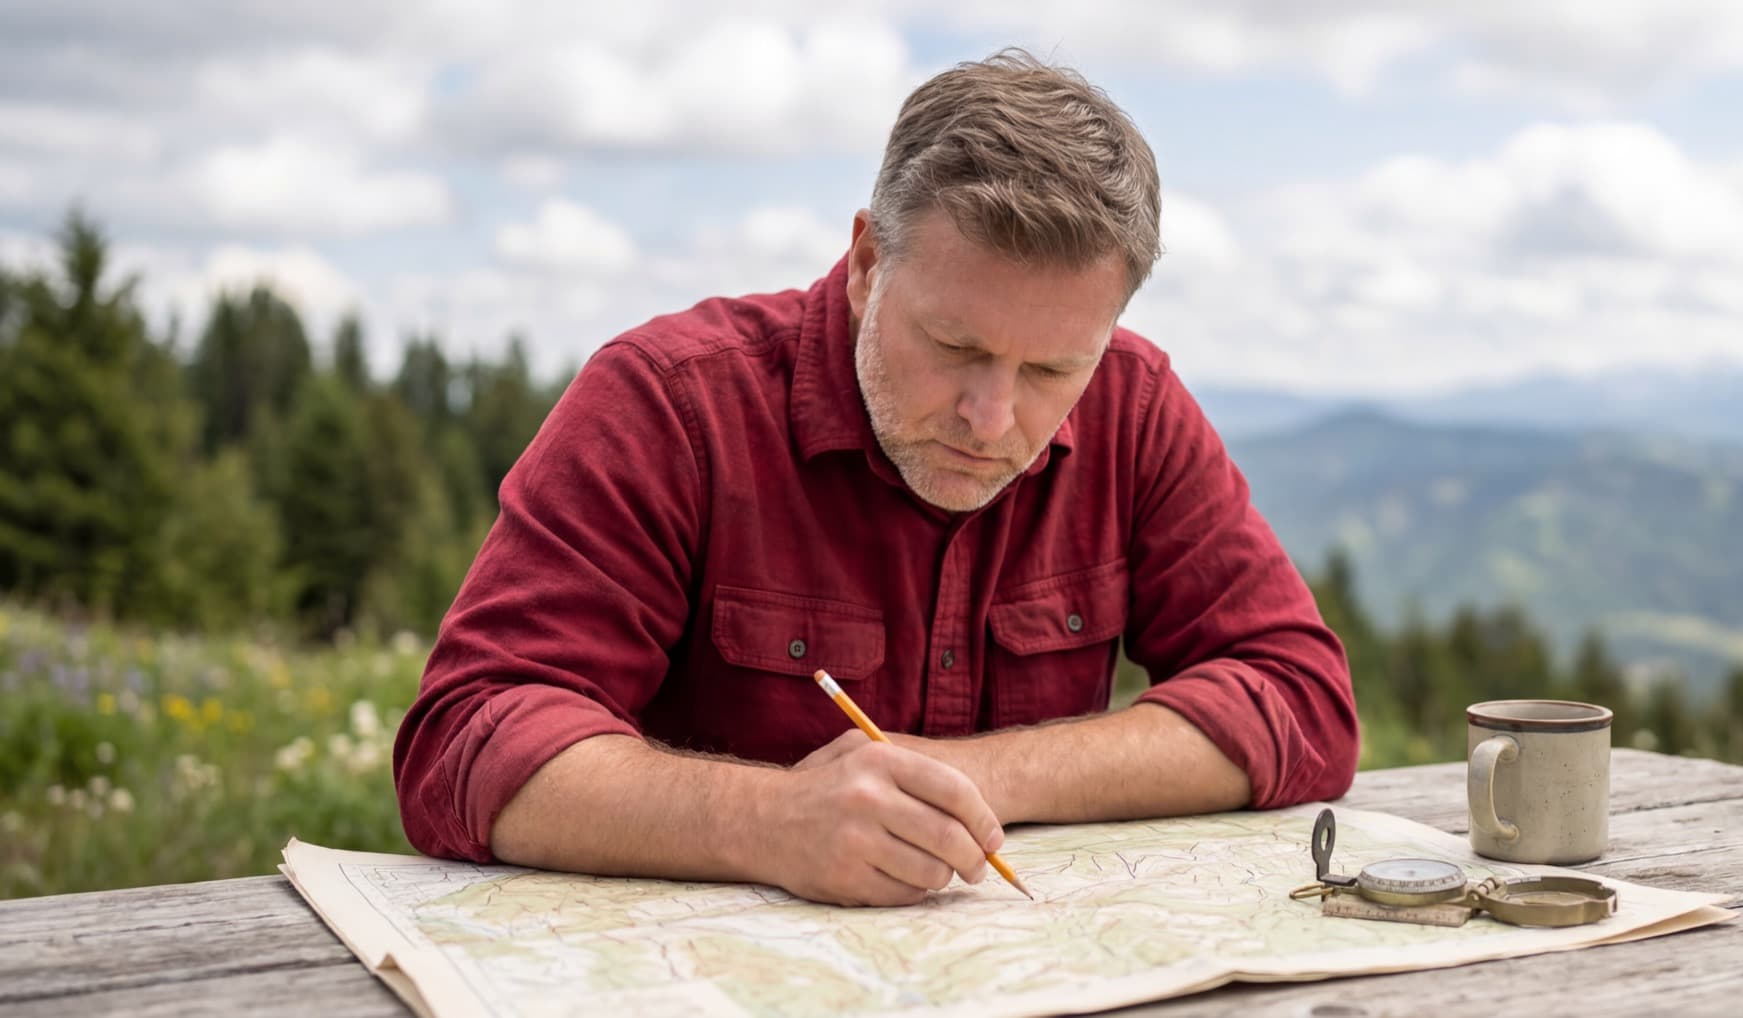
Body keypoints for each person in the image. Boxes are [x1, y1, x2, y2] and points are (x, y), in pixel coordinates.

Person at [391, 50, 1359, 907]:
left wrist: (970, 778)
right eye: (953, 345)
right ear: (865, 262)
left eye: (1051, 371)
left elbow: (1300, 698)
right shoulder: (670, 405)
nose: (992, 416)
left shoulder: (1134, 403)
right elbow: (467, 738)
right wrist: (767, 821)